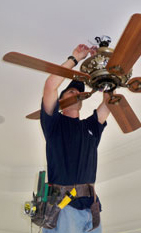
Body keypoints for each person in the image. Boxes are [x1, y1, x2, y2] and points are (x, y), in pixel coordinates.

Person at [40, 44, 111, 233]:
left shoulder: (89, 127)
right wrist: (74, 59)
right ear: (61, 100)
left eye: (79, 93)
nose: (77, 94)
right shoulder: (54, 124)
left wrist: (107, 77)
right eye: (71, 91)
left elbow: (108, 105)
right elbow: (50, 86)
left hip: (92, 207)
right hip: (65, 207)